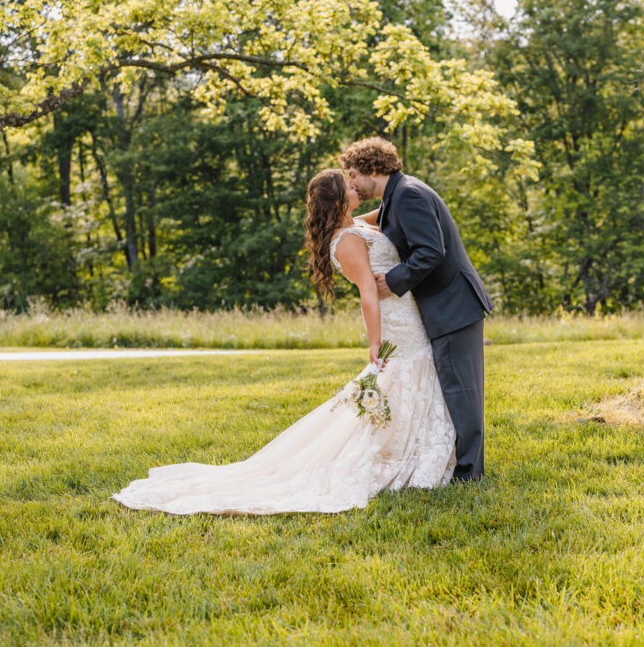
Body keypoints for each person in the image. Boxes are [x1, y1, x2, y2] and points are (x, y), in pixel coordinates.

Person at [112, 167, 455, 515]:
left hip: (406, 312)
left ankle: (411, 448)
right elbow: (367, 292)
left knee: (407, 382)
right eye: (348, 185)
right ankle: (398, 455)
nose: (355, 186)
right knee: (402, 378)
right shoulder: (347, 240)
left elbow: (387, 215)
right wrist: (374, 342)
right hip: (395, 322)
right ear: (339, 201)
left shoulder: (355, 224)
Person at [341, 137, 492, 482]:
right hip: (444, 305)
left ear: (373, 168)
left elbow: (431, 251)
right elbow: (369, 223)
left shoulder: (407, 194)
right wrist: (336, 223)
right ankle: (461, 465)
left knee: (462, 392)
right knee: (454, 389)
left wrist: (390, 281)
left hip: (453, 305)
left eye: (352, 175)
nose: (350, 183)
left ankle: (469, 475)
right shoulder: (395, 196)